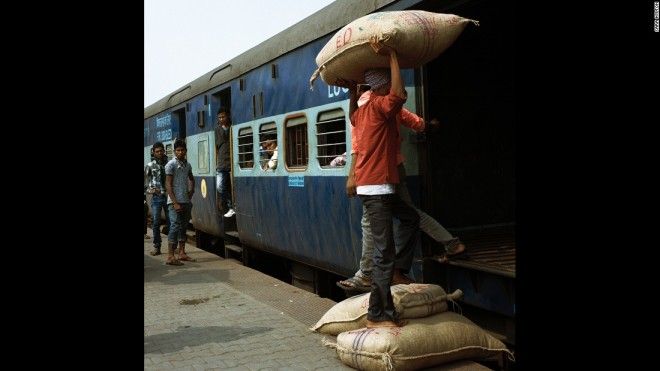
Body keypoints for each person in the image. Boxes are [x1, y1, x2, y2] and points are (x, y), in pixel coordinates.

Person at [338, 82, 467, 292]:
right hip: (396, 168)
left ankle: (367, 273)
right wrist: (429, 126)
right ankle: (451, 244)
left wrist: (352, 175)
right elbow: (412, 120)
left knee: (371, 221)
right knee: (410, 215)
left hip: (376, 172)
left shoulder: (367, 103)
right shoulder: (390, 103)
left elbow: (358, 143)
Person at [349, 39, 420, 328]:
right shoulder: (379, 107)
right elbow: (399, 92)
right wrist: (392, 54)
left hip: (379, 186)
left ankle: (389, 288)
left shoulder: (360, 113)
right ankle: (378, 314)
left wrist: (352, 91)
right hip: (377, 188)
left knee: (410, 217)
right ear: (379, 88)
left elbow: (351, 111)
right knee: (383, 253)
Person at [164, 138, 196, 265]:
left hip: (185, 200)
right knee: (175, 226)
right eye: (178, 150)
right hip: (174, 202)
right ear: (174, 151)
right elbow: (168, 184)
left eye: (182, 150)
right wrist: (175, 202)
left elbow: (192, 178)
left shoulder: (187, 165)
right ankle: (171, 256)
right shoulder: (171, 165)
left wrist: (191, 191)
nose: (180, 152)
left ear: (186, 151)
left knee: (183, 226)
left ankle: (182, 253)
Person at [144, 142, 170, 255]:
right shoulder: (149, 166)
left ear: (164, 151)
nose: (159, 153)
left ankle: (173, 247)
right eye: (157, 151)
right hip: (157, 198)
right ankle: (157, 247)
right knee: (156, 223)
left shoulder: (169, 164)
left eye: (161, 151)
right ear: (153, 153)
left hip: (169, 197)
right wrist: (151, 190)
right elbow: (145, 184)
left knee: (172, 222)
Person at [215, 107, 235, 218]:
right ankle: (229, 206)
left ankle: (232, 207)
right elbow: (222, 141)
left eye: (223, 117)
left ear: (228, 116)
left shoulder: (232, 127)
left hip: (232, 162)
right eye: (219, 118)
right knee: (220, 186)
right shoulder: (218, 129)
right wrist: (223, 128)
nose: (221, 119)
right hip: (222, 163)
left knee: (233, 186)